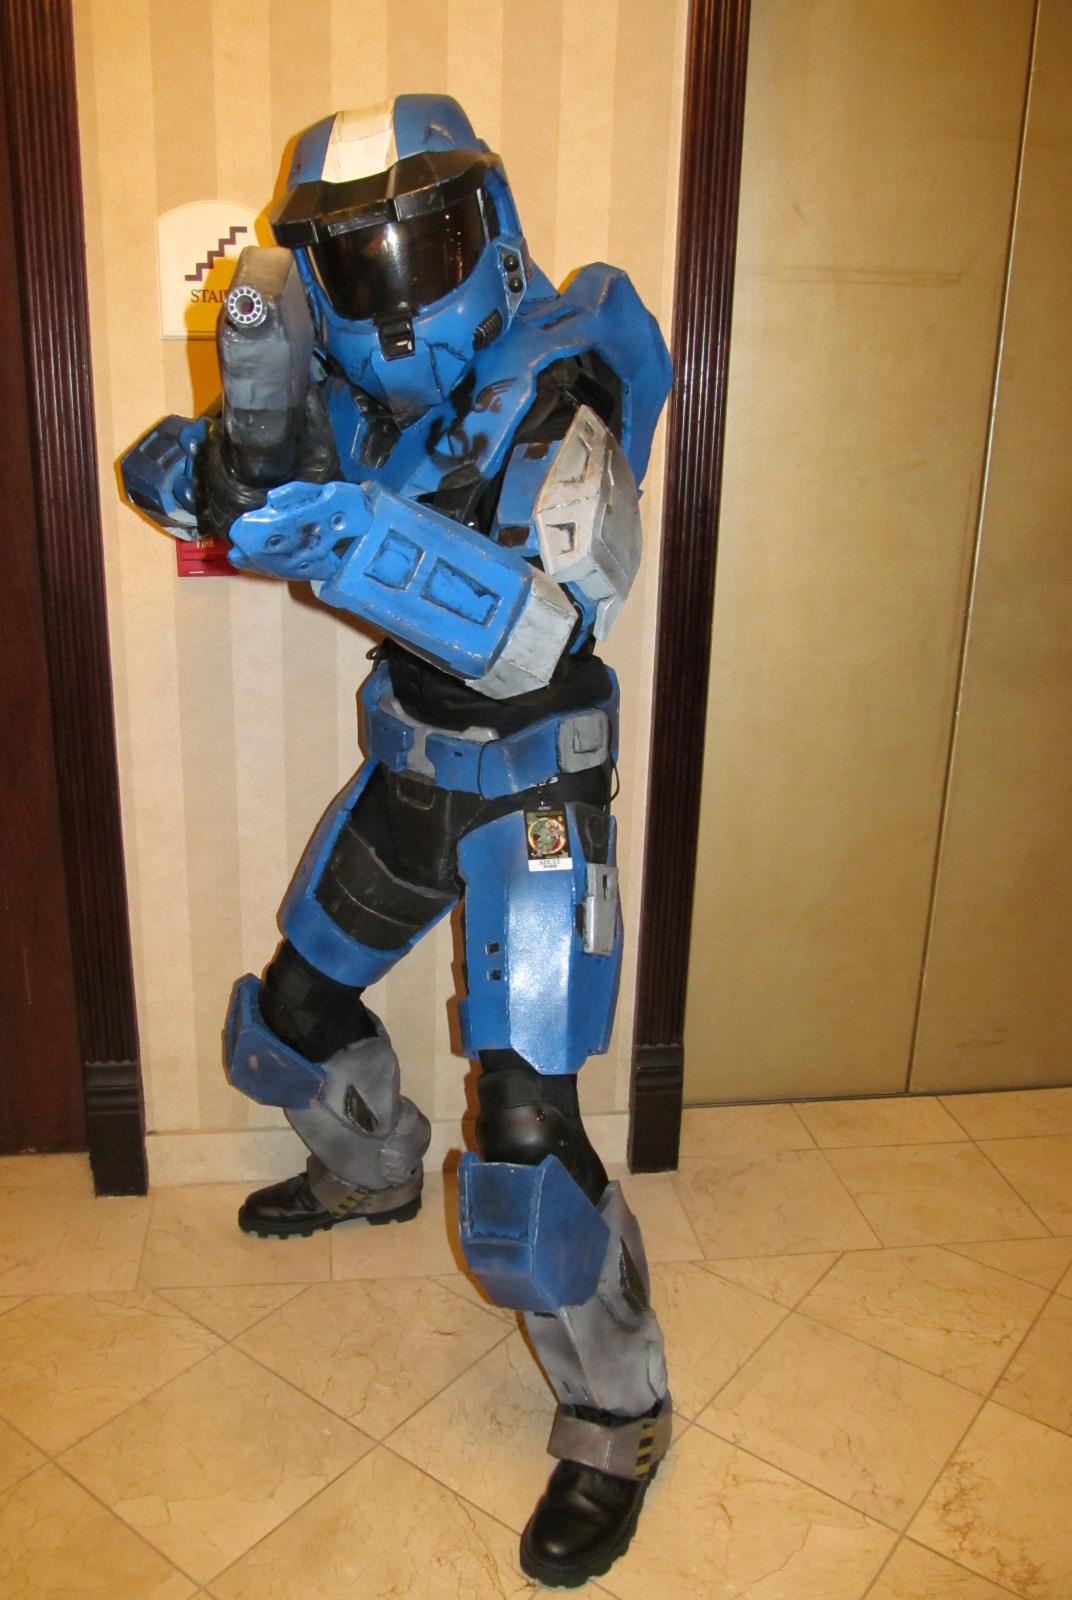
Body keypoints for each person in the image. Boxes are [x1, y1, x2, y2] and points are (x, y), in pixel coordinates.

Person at [122, 94, 673, 1588]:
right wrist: (225, 472)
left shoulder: (565, 371)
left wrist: (333, 530)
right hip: (416, 769)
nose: (398, 290)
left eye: (421, 242)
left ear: (489, 228)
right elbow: (166, 467)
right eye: (358, 260)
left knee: (525, 1155)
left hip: (535, 788)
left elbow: (542, 622)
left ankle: (619, 1417)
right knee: (287, 1023)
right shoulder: (356, 400)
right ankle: (369, 1172)